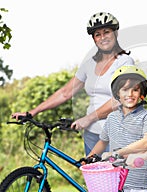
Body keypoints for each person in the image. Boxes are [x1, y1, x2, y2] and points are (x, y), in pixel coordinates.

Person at [11, 12, 134, 155]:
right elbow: (65, 93)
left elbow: (121, 99)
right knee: (93, 177)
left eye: (107, 32)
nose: (103, 37)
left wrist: (88, 118)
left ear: (115, 33)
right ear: (94, 39)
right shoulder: (89, 65)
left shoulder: (124, 62)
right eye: (97, 34)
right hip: (92, 135)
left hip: (116, 133)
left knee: (121, 177)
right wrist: (33, 112)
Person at [88, 65, 147, 191]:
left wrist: (119, 154)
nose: (130, 94)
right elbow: (103, 141)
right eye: (125, 90)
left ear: (142, 94)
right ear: (117, 93)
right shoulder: (112, 117)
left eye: (135, 90)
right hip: (115, 180)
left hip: (139, 183)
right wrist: (90, 158)